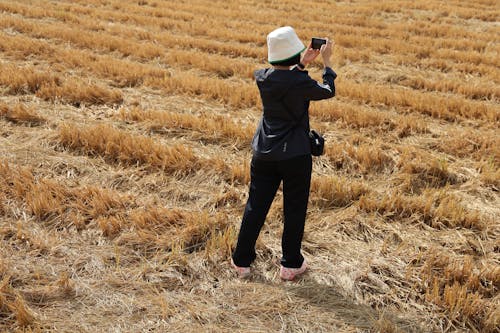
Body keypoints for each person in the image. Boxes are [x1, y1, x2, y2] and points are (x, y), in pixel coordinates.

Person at [231, 26, 337, 280]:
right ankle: (290, 264)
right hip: (295, 155)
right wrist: (327, 62)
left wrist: (301, 64)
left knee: (255, 206)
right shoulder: (301, 83)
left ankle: (241, 261)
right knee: (294, 208)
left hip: (264, 153)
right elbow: (327, 90)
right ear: (294, 55)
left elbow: (285, 81)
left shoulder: (263, 77)